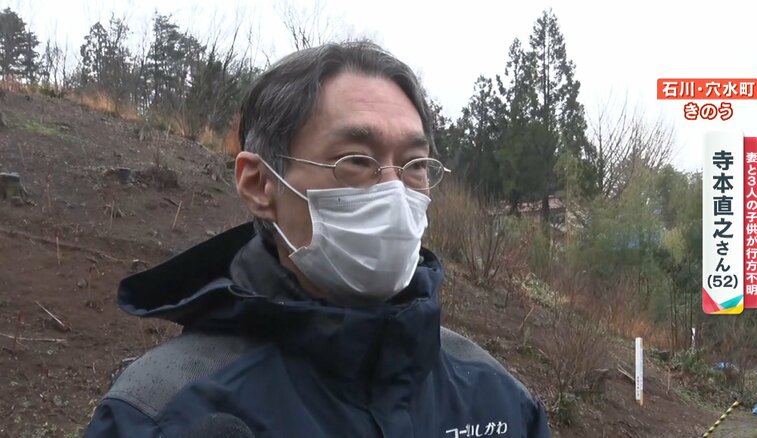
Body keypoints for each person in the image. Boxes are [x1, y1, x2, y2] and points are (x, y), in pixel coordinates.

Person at [84, 40, 551, 438]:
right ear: (259, 184)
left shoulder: (499, 402)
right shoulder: (158, 412)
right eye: (356, 161)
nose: (394, 191)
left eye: (414, 165)